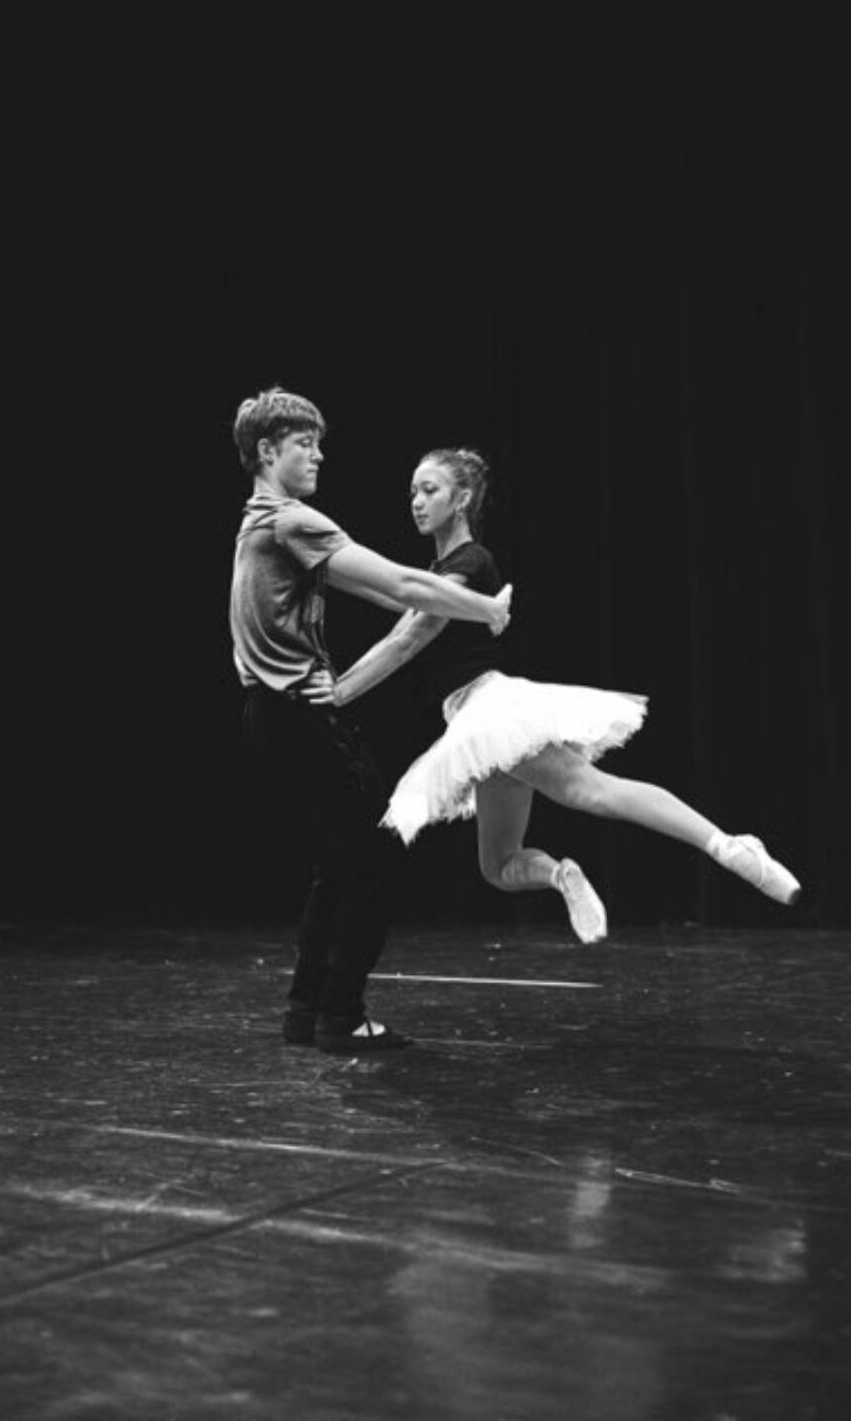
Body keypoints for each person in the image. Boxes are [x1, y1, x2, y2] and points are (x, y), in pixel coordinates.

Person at [307, 447, 801, 940]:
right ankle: (562, 874)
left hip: (489, 710)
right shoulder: (439, 576)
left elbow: (407, 638)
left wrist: (339, 693)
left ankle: (729, 845)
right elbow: (398, 597)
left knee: (587, 789)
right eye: (413, 491)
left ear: (462, 499)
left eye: (429, 490)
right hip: (475, 724)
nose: (416, 501)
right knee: (498, 866)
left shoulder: (469, 561)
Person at [230, 395, 512, 1054]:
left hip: (273, 719)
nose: (319, 456)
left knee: (340, 864)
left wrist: (453, 604)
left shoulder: (258, 524)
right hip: (298, 717)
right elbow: (407, 583)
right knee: (375, 862)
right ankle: (341, 1014)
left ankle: (308, 1010)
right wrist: (485, 609)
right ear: (269, 452)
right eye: (307, 444)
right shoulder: (289, 519)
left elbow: (389, 592)